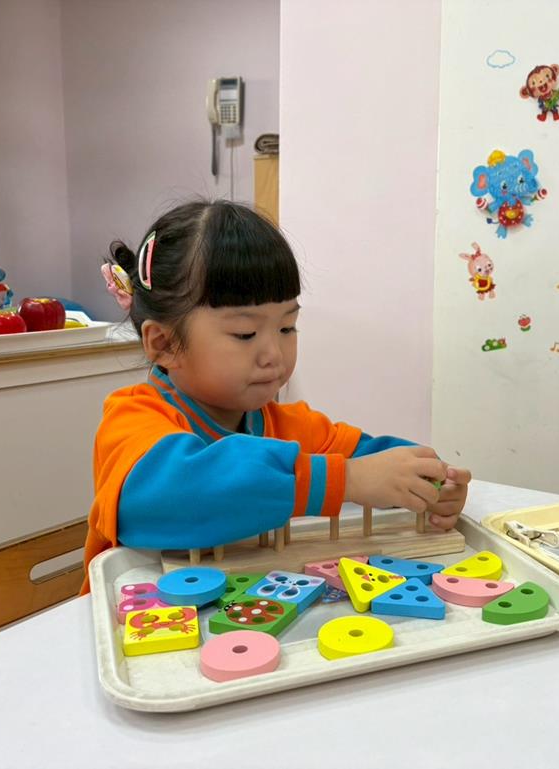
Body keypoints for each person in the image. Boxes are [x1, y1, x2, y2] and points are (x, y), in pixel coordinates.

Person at [83, 200, 471, 590]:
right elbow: (167, 498)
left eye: (287, 328)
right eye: (245, 334)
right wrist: (346, 480)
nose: (274, 354)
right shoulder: (132, 419)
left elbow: (370, 458)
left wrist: (427, 480)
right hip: (141, 618)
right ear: (165, 344)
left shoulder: (287, 425)